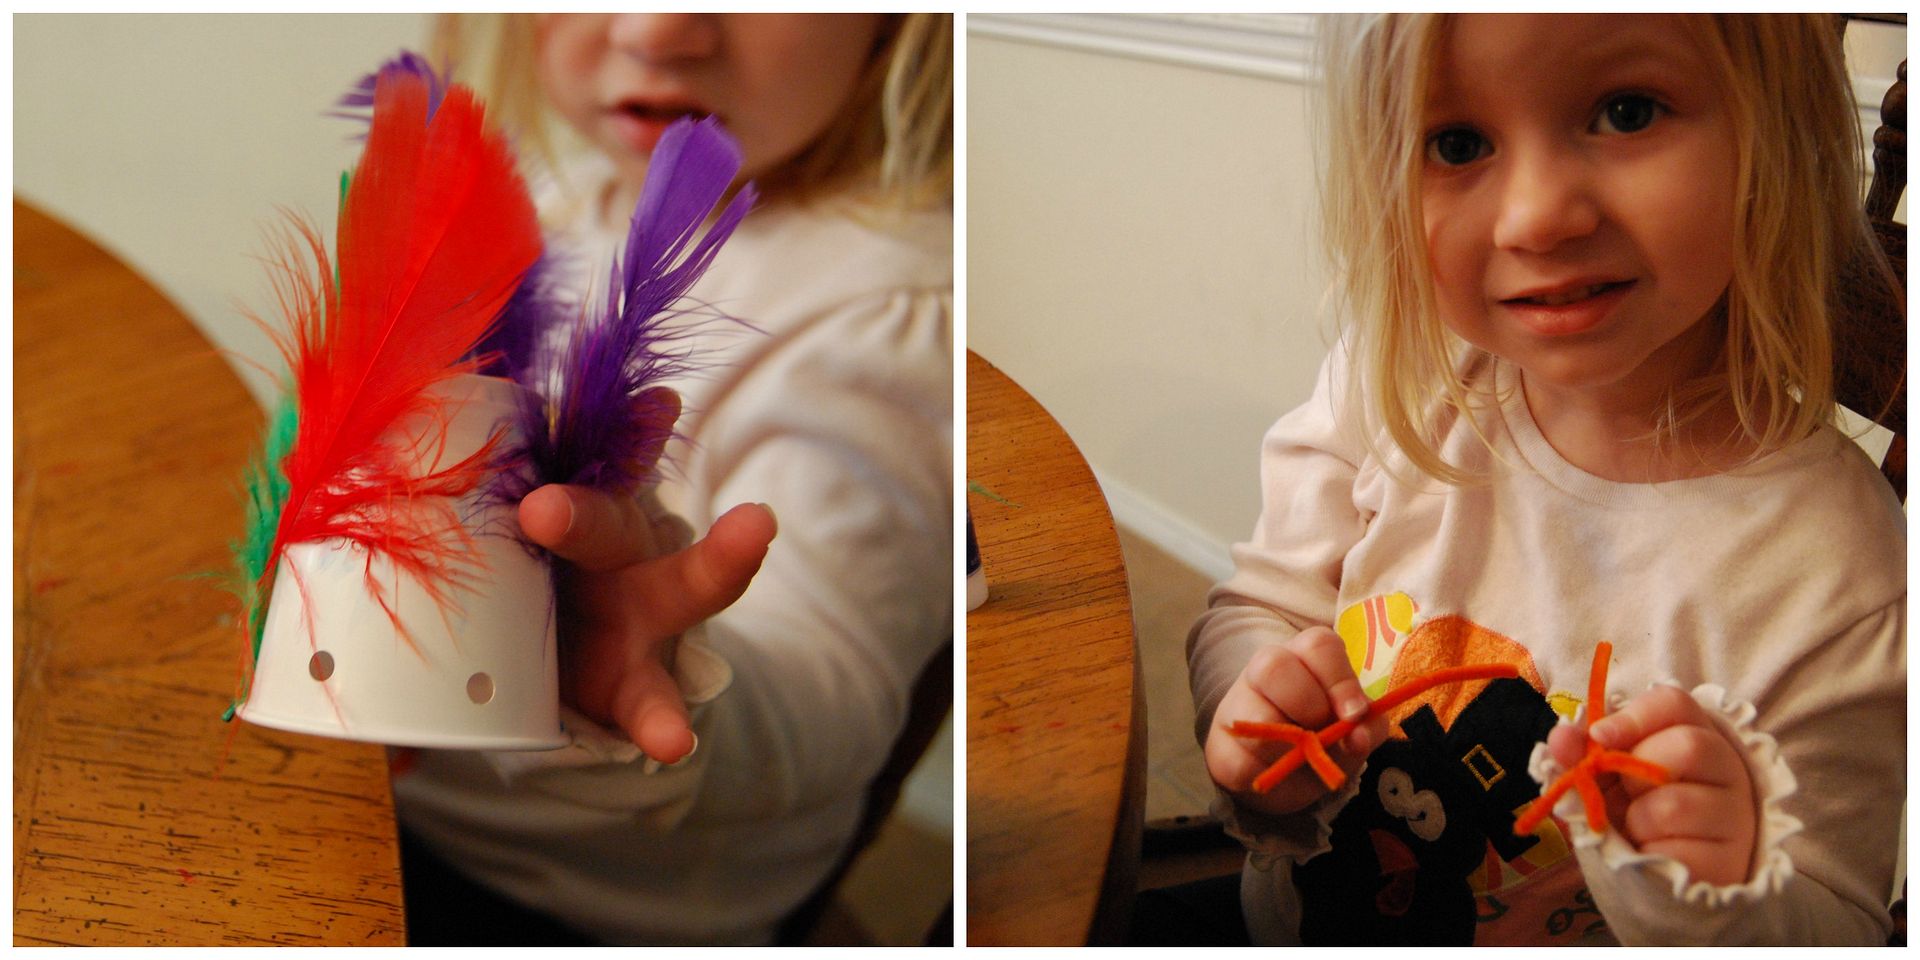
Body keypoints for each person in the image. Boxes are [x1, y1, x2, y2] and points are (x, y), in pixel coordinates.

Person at [1187, 13, 1902, 946]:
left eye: (1627, 111)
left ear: (1782, 131)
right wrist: (1254, 711)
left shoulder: (1842, 576)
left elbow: (1836, 922)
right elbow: (1255, 612)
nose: (1537, 215)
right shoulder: (1393, 382)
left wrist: (1718, 893)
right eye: (1456, 142)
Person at [390, 13, 953, 945]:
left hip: (568, 895)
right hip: (387, 780)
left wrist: (645, 683)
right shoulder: (551, 193)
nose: (658, 29)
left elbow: (831, 688)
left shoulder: (882, 320)